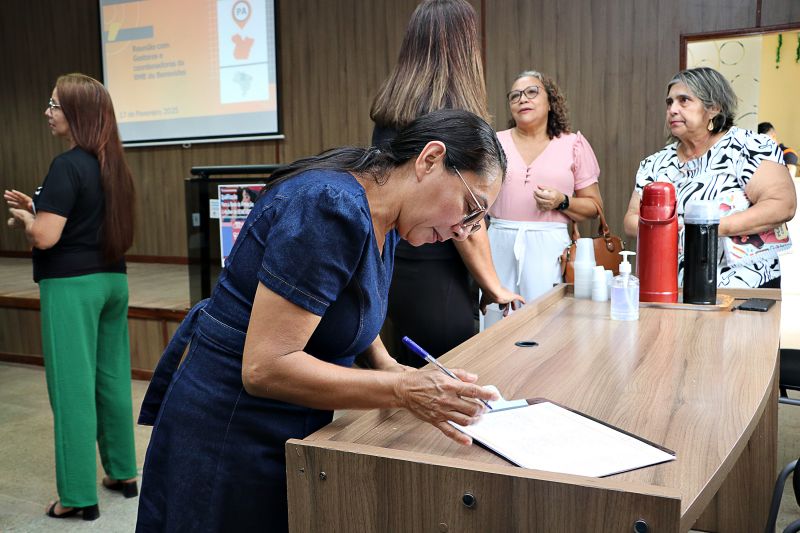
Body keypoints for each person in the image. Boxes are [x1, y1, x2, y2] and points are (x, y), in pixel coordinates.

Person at [135, 109, 505, 532]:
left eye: (478, 222)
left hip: (285, 421)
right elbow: (265, 367)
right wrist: (404, 389)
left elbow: (343, 303)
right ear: (429, 159)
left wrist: (387, 365)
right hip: (230, 426)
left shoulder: (383, 215)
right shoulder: (331, 208)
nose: (463, 231)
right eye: (469, 207)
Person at [4, 74, 138, 520]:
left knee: (72, 390)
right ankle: (122, 473)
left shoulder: (67, 165)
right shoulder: (113, 165)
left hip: (72, 288)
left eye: (55, 105)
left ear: (77, 115)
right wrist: (39, 207)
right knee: (113, 381)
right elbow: (78, 217)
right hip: (112, 284)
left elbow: (45, 237)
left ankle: (78, 497)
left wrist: (28, 219)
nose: (48, 111)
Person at [369, 0, 522, 365]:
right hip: (438, 268)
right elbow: (465, 218)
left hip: (399, 264)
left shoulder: (394, 110)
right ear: (464, 47)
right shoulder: (451, 120)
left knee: (413, 374)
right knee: (446, 375)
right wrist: (493, 285)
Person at [624, 67, 796, 288]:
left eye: (684, 100)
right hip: (673, 288)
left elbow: (782, 206)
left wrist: (710, 228)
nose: (672, 109)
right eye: (669, 102)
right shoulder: (655, 164)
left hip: (744, 287)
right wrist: (665, 227)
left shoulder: (749, 147)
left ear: (714, 108)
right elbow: (631, 220)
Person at [484, 70, 603, 327]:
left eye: (531, 92)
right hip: (499, 244)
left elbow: (594, 207)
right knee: (496, 322)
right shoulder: (493, 143)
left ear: (550, 102)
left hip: (550, 249)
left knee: (548, 324)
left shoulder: (573, 144)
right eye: (514, 95)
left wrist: (562, 201)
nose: (522, 99)